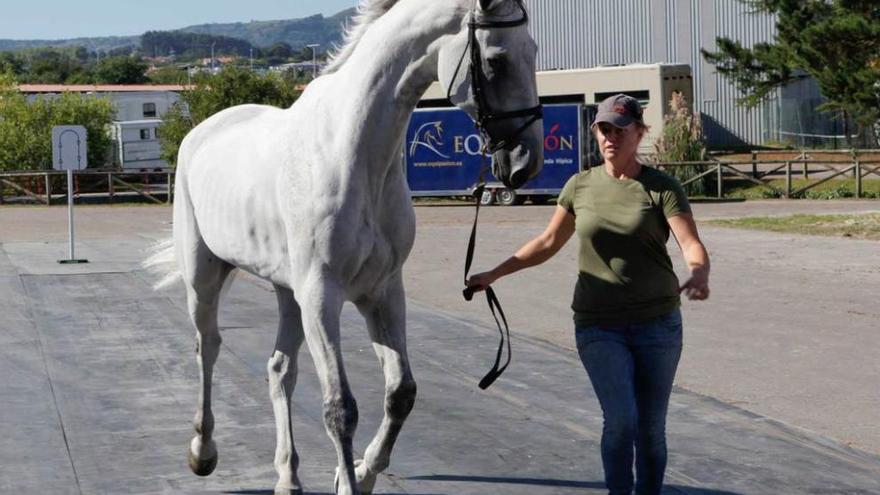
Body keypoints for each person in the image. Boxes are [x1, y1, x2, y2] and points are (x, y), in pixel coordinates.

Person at [466, 94, 710, 495]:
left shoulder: (660, 187)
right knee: (621, 420)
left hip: (659, 326)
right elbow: (547, 242)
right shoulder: (579, 186)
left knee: (651, 431)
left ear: (639, 132)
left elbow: (689, 243)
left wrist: (698, 272)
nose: (610, 137)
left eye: (620, 128)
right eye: (603, 129)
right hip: (599, 326)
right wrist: (494, 273)